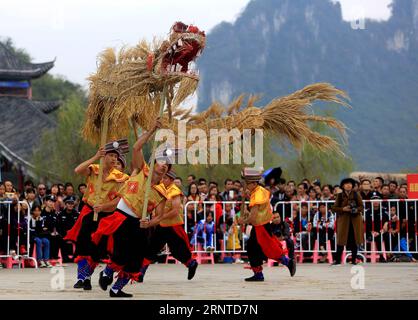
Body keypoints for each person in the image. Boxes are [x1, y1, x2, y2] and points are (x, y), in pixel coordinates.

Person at [91, 122, 170, 297]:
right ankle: (107, 273)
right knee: (120, 254)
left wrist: (149, 223)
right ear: (154, 163)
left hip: (139, 225)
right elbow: (136, 147)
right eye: (162, 162)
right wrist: (151, 131)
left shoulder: (163, 193)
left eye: (168, 165)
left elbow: (160, 217)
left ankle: (116, 289)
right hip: (122, 218)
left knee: (136, 261)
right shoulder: (142, 170)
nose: (164, 166)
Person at [64, 142, 129, 290]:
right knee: (82, 244)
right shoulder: (94, 170)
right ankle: (81, 278)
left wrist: (104, 207)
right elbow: (78, 170)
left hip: (106, 215)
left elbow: (119, 199)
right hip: (89, 211)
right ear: (104, 156)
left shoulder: (122, 177)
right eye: (110, 155)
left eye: (115, 156)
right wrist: (95, 156)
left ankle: (87, 275)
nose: (113, 159)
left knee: (98, 249)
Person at [140, 170, 198, 283]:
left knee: (178, 251)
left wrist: (160, 217)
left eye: (165, 178)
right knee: (151, 248)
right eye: (163, 177)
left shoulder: (175, 191)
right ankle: (140, 272)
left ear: (171, 180)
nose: (163, 180)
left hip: (173, 226)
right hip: (161, 226)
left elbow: (176, 211)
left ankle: (191, 264)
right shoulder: (159, 188)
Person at [239, 168, 295, 281]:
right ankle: (258, 273)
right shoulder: (260, 190)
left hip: (261, 226)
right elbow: (257, 208)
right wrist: (248, 200)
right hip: (261, 225)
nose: (246, 186)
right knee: (253, 247)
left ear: (254, 183)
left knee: (269, 249)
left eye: (247, 184)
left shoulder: (257, 194)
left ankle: (287, 262)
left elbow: (254, 215)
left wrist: (243, 221)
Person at [331, 178, 364, 265]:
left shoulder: (356, 195)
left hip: (355, 221)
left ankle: (353, 260)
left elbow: (361, 207)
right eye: (346, 184)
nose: (348, 185)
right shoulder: (340, 195)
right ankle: (337, 260)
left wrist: (355, 210)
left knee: (354, 241)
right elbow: (334, 208)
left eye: (350, 184)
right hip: (343, 221)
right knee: (341, 241)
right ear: (343, 186)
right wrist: (343, 209)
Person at [57, 196, 79, 262]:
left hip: (74, 234)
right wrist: (63, 234)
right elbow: (59, 226)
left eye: (72, 204)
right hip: (64, 234)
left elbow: (78, 226)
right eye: (69, 203)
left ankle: (76, 257)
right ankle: (65, 258)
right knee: (60, 239)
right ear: (65, 204)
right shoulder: (61, 214)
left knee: (81, 239)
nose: (70, 205)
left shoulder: (76, 214)